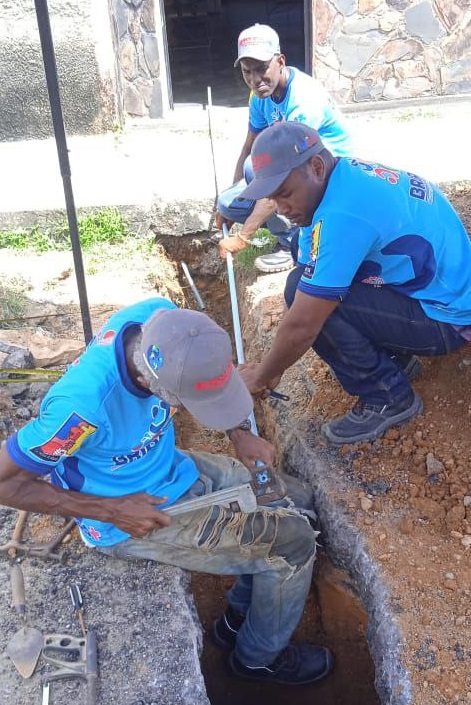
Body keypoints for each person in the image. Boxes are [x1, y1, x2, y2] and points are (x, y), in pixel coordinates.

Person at [0, 298, 333, 686]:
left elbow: (207, 377)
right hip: (132, 513)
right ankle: (257, 660)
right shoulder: (80, 409)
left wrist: (240, 432)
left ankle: (236, 620)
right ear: (155, 385)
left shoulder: (167, 323)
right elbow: (6, 482)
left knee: (298, 499)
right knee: (292, 544)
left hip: (170, 467)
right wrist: (111, 511)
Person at [237, 121, 471, 445]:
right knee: (303, 261)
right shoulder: (338, 178)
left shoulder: (343, 215)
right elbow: (308, 259)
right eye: (274, 200)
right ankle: (394, 358)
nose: (282, 209)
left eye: (286, 194)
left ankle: (389, 395)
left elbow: (303, 324)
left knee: (308, 299)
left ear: (316, 166)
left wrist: (265, 375)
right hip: (427, 287)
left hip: (446, 317)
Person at [217, 23, 354, 274]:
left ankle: (290, 240)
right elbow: (249, 146)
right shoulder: (260, 95)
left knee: (262, 172)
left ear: (280, 62)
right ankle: (287, 222)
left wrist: (243, 237)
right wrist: (234, 193)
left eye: (261, 69)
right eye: (247, 72)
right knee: (227, 203)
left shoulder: (303, 100)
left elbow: (283, 175)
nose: (255, 80)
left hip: (326, 172)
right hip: (289, 168)